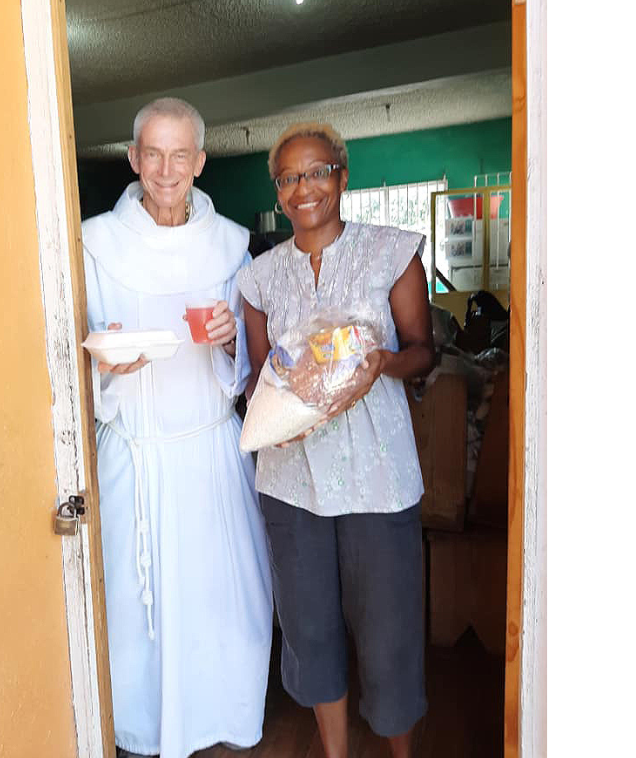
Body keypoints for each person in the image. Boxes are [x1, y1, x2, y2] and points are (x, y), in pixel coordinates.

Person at [81, 97, 273, 758]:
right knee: (139, 616)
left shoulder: (231, 247)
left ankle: (221, 720)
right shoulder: (94, 243)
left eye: (180, 154)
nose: (166, 169)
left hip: (211, 453)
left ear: (200, 161)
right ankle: (143, 732)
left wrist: (228, 343)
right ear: (134, 159)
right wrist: (106, 357)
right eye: (152, 153)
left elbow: (254, 359)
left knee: (227, 605)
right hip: (134, 454)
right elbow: (78, 348)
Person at [236, 122, 436, 758]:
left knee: (390, 633)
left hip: (379, 478)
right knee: (311, 630)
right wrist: (271, 391)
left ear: (342, 178)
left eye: (317, 171)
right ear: (279, 191)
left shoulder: (391, 252)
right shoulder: (261, 278)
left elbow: (425, 352)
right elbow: (261, 380)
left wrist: (382, 363)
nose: (304, 188)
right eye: (290, 177)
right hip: (292, 481)